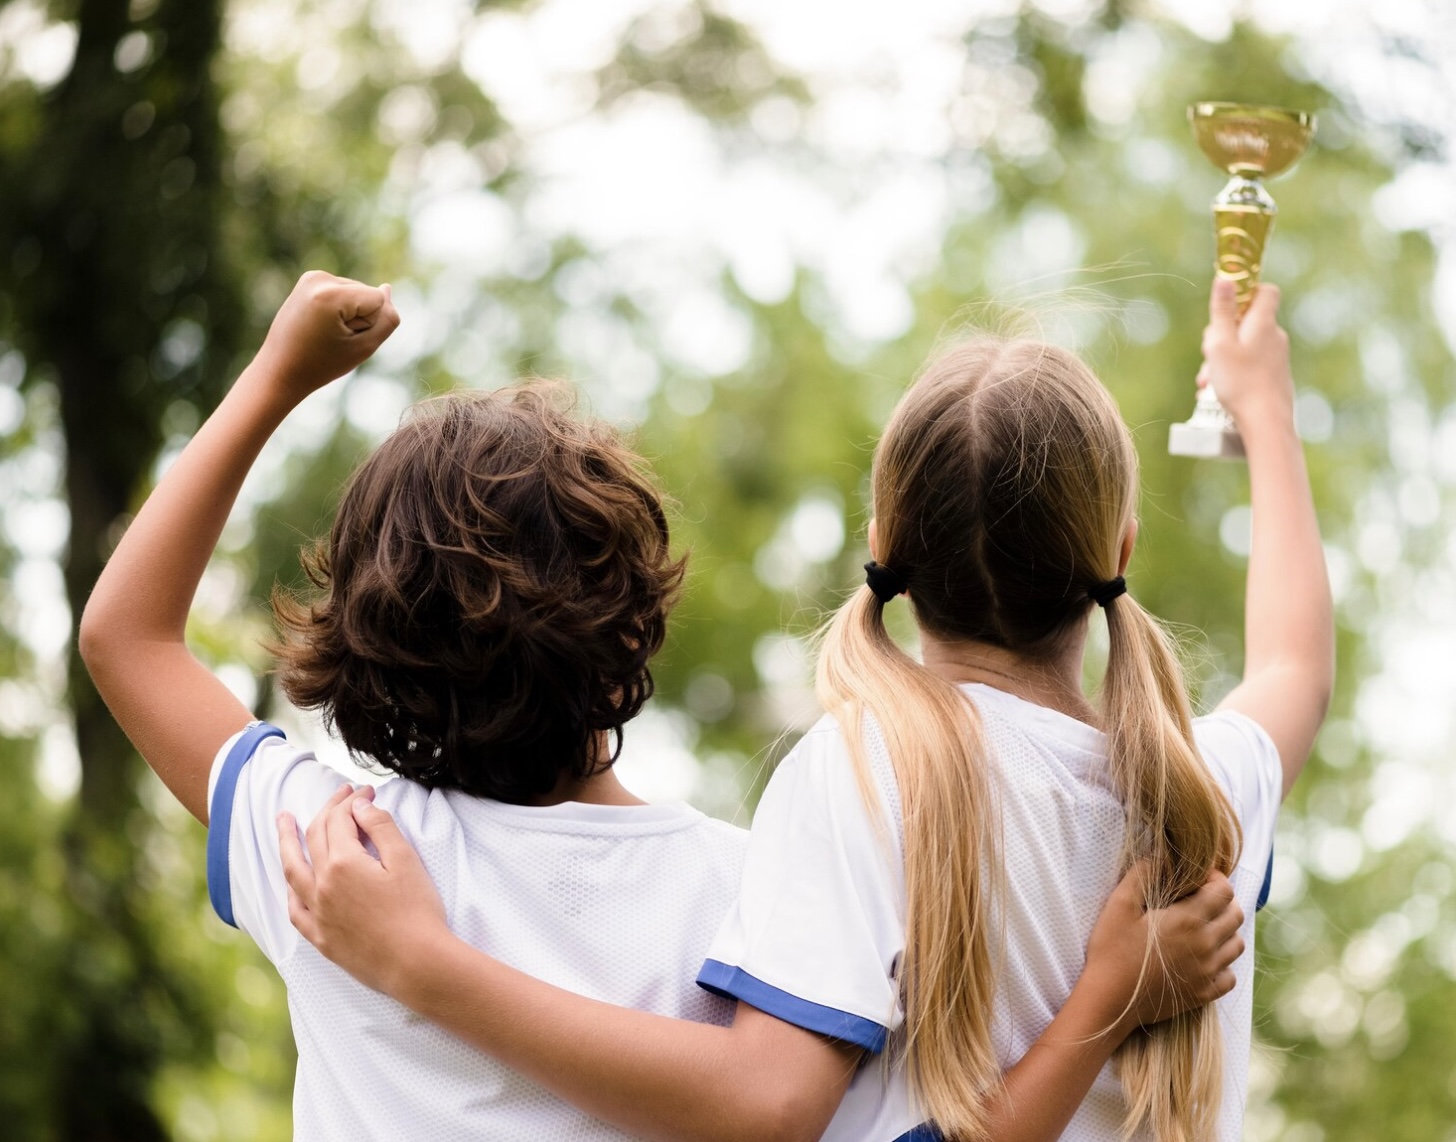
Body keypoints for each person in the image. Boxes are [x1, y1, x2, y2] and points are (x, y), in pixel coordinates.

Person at [79, 270, 1242, 1141]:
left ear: (360, 644)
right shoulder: (749, 892)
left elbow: (125, 636)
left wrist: (276, 376)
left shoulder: (334, 866)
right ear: (638, 622)